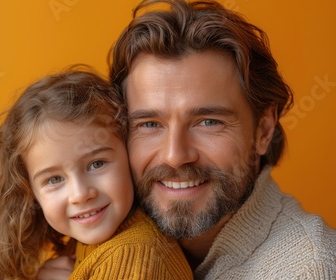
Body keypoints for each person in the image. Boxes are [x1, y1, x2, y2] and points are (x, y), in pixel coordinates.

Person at [38, 0, 336, 279]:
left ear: (264, 130)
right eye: (149, 124)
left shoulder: (310, 268)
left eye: (208, 122)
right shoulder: (106, 227)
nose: (174, 155)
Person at [0, 67, 192, 279]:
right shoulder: (91, 244)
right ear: (31, 193)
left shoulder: (135, 258)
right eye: (54, 179)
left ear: (128, 151)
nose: (80, 194)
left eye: (96, 164)